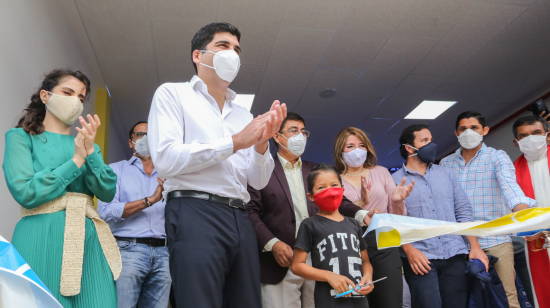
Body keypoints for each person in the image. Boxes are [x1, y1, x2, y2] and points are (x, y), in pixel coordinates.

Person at [147, 22, 287, 308]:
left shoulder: (243, 114)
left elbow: (257, 182)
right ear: (197, 56)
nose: (232, 54)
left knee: (246, 301)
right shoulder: (172, 94)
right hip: (194, 210)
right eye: (223, 46)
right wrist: (235, 142)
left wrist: (261, 145)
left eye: (237, 49)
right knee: (200, 301)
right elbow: (166, 159)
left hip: (239, 215)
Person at [3, 69, 119, 307]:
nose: (75, 101)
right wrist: (76, 160)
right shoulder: (20, 138)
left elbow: (107, 192)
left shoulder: (89, 146)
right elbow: (26, 192)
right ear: (45, 96)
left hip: (89, 240)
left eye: (80, 97)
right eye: (68, 92)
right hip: (40, 235)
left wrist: (89, 152)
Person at [247, 113, 373, 308]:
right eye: (293, 130)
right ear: (277, 136)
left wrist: (363, 214)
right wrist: (273, 244)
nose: (300, 136)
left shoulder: (315, 171)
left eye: (303, 131)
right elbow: (250, 212)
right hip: (282, 258)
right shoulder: (261, 170)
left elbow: (340, 200)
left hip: (321, 258)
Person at [440, 111, 537, 308]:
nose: (469, 132)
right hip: (459, 245)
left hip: (495, 240)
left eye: (474, 128)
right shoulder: (445, 164)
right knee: (466, 301)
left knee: (507, 298)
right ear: (456, 133)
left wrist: (526, 218)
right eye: (463, 129)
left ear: (484, 130)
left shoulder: (497, 157)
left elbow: (511, 190)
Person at [392, 124, 488, 308]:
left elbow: (463, 211)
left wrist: (474, 246)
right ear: (409, 148)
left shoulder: (447, 175)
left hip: (454, 254)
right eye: (424, 141)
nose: (431, 145)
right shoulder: (394, 181)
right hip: (420, 259)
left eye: (431, 140)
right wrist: (409, 250)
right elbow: (392, 222)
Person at [333, 127, 413, 308]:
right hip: (350, 243)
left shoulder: (381, 172)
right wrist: (360, 204)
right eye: (350, 146)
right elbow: (332, 214)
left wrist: (398, 201)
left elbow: (397, 216)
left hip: (384, 237)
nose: (357, 150)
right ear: (340, 151)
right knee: (358, 300)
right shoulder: (334, 179)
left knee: (389, 299)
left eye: (361, 145)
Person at [98, 121, 170, 308]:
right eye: (140, 135)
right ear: (130, 142)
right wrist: (149, 200)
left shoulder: (170, 175)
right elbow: (105, 212)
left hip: (164, 253)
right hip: (128, 250)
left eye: (150, 135)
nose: (145, 139)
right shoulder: (115, 170)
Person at [292, 163, 374, 308]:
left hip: (359, 299)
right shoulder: (309, 224)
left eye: (334, 185)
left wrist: (367, 277)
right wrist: (328, 276)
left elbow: (365, 261)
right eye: (321, 187)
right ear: (311, 196)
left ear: (342, 190)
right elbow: (297, 266)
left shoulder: (354, 224)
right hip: (328, 301)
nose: (329, 191)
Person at [511, 115, 550, 307]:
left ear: (547, 136)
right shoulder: (512, 172)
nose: (531, 139)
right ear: (516, 142)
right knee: (543, 290)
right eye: (524, 136)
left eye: (536, 133)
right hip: (537, 241)